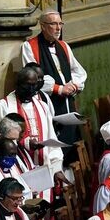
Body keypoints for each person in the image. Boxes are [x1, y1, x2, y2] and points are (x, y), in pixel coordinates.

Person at [21, 10, 87, 144]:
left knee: (71, 142)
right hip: (47, 104)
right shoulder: (30, 47)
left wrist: (73, 85)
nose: (58, 28)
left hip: (68, 104)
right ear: (43, 26)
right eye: (53, 24)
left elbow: (79, 72)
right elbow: (32, 77)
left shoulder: (63, 46)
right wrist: (59, 89)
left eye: (60, 23)